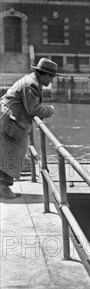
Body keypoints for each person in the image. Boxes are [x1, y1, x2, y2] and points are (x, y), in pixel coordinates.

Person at [0, 58, 58, 199]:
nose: (51, 81)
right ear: (45, 75)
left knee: (7, 153)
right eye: (51, 77)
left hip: (9, 119)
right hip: (10, 124)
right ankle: (4, 187)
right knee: (12, 154)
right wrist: (49, 110)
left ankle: (3, 186)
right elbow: (33, 110)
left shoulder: (30, 80)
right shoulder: (31, 85)